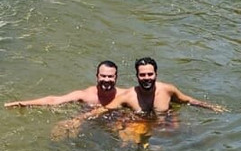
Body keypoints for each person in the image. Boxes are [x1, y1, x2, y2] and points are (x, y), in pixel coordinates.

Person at [54, 57, 224, 136]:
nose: (147, 78)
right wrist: (76, 120)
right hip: (143, 124)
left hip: (168, 126)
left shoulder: (167, 90)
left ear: (156, 74)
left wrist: (210, 106)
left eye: (150, 74)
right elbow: (103, 110)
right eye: (142, 75)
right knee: (126, 141)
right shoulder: (129, 97)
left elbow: (187, 100)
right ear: (137, 76)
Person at [5, 60, 124, 109]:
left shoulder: (124, 95)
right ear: (97, 77)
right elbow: (53, 100)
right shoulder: (85, 95)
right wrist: (23, 103)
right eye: (103, 76)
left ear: (116, 77)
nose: (106, 80)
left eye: (110, 76)